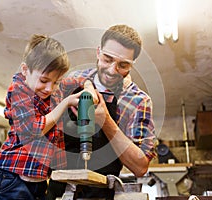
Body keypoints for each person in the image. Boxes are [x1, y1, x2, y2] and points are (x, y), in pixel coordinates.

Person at [46, 24, 158, 200]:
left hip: (100, 193)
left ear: (132, 65)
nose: (112, 70)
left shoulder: (138, 102)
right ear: (98, 52)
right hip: (58, 192)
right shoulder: (70, 82)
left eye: (123, 65)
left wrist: (105, 120)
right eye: (107, 59)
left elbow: (140, 167)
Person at [0, 34, 96, 200]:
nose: (49, 89)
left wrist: (89, 88)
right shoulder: (18, 90)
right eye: (44, 80)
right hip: (13, 179)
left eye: (56, 82)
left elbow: (82, 79)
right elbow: (33, 130)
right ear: (25, 70)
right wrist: (65, 102)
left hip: (39, 182)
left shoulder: (53, 87)